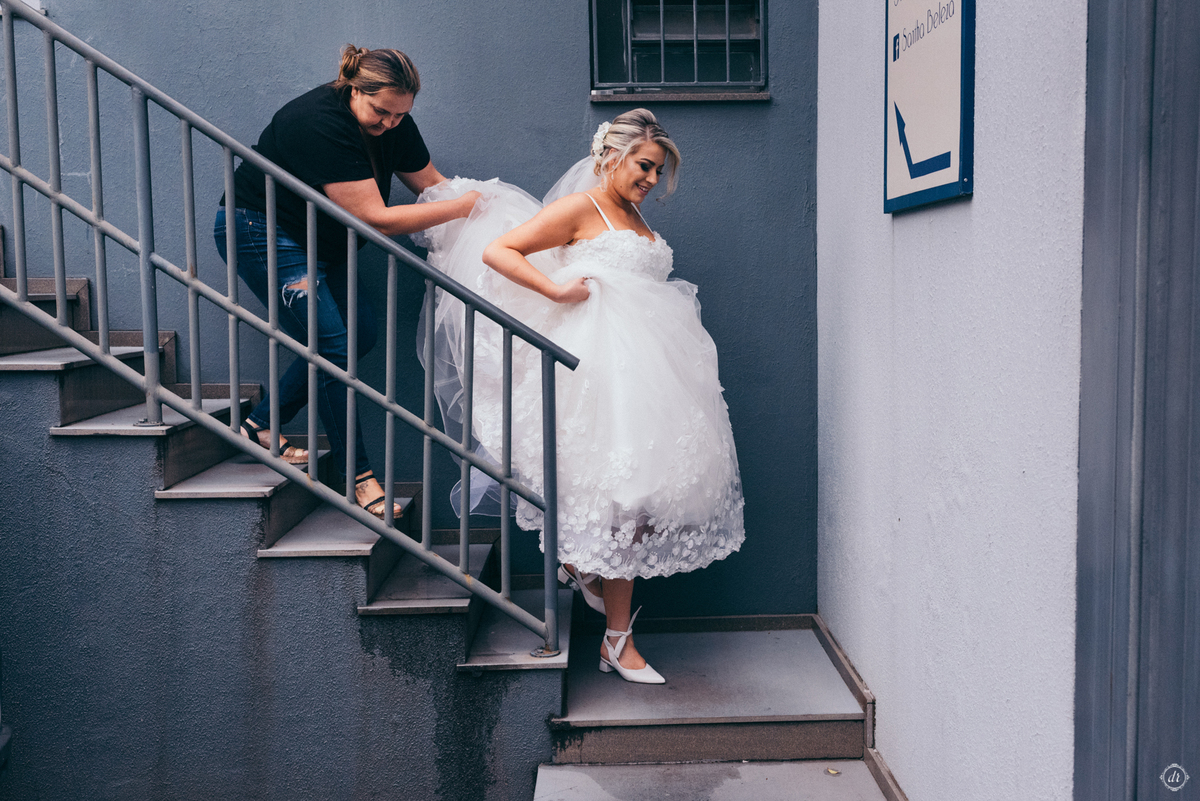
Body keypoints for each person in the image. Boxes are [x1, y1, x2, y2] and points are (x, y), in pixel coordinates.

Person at [416, 109, 745, 683]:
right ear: (611, 157)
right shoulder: (580, 207)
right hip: (598, 369)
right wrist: (555, 291)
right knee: (617, 498)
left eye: (658, 171)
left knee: (638, 496)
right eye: (645, 166)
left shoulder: (633, 215)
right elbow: (500, 251)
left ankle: (592, 591)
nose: (651, 179)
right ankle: (613, 630)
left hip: (650, 373)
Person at [214, 45, 480, 518]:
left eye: (401, 115)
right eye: (381, 112)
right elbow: (375, 217)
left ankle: (259, 425)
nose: (390, 124)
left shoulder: (392, 120)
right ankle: (358, 477)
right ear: (354, 89)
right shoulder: (319, 121)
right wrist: (462, 207)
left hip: (322, 240)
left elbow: (432, 185)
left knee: (359, 336)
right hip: (262, 229)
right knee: (332, 346)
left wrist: (482, 208)